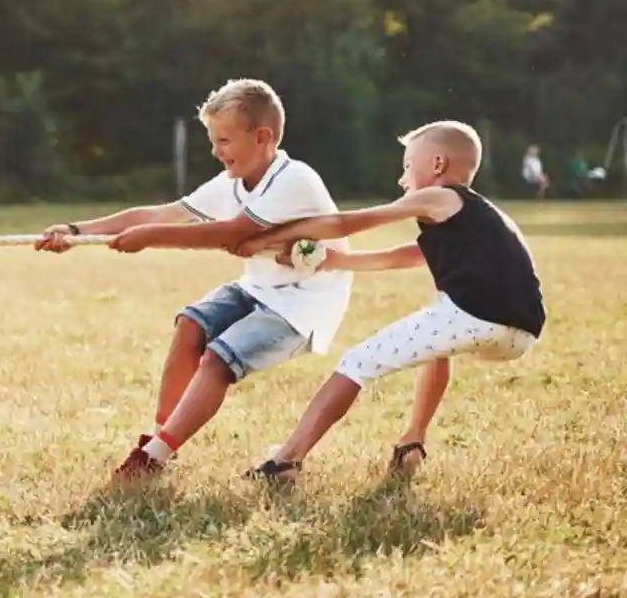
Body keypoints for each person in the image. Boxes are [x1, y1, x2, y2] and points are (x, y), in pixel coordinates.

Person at [34, 78, 353, 481]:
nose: (216, 152)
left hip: (304, 304)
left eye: (224, 141)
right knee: (190, 325)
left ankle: (153, 458)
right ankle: (159, 438)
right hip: (258, 288)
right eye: (213, 140)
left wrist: (150, 240)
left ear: (263, 137)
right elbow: (160, 215)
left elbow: (229, 233)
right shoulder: (231, 182)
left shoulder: (295, 179)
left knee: (219, 356)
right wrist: (79, 231)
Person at [233, 120, 545, 480]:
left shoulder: (442, 196)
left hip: (478, 318)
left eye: (408, 167)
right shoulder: (476, 218)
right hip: (522, 332)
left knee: (356, 362)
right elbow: (399, 257)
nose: (402, 179)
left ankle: (285, 461)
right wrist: (331, 260)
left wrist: (267, 236)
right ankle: (413, 440)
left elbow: (355, 221)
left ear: (438, 164)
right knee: (436, 331)